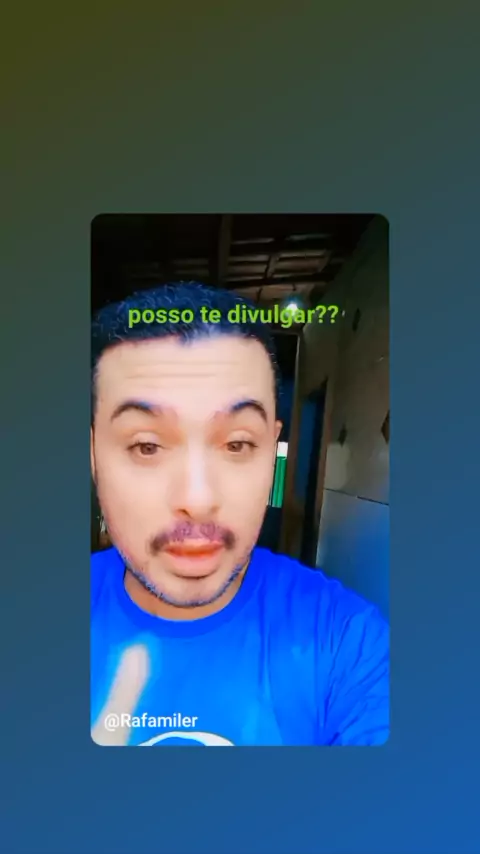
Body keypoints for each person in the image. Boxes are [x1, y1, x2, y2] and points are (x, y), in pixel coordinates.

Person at [91, 282, 389, 746]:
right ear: (92, 453)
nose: (198, 498)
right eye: (146, 445)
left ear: (272, 449)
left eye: (237, 444)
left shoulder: (349, 644)